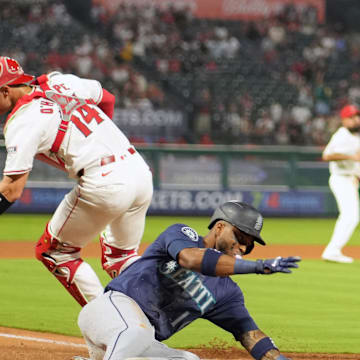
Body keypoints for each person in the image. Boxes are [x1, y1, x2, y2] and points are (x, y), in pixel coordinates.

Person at [0, 56, 153, 305]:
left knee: (54, 252)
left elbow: (11, 190)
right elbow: (108, 98)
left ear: (6, 90)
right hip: (138, 170)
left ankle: (111, 326)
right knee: (121, 258)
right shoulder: (59, 81)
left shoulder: (22, 121)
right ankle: (155, 312)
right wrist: (99, 139)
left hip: (106, 182)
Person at [77, 201, 300, 360]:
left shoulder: (227, 293)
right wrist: (258, 266)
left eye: (249, 245)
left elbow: (250, 335)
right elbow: (190, 259)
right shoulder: (182, 234)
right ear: (220, 227)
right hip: (111, 311)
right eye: (241, 237)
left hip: (140, 338)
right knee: (137, 331)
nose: (243, 247)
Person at [321, 104, 360, 263]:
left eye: (357, 116)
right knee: (351, 216)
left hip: (350, 180)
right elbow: (327, 155)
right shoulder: (341, 135)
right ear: (344, 120)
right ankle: (332, 251)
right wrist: (350, 156)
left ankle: (333, 250)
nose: (356, 119)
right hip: (340, 179)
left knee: (351, 216)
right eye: (351, 117)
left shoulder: (356, 136)